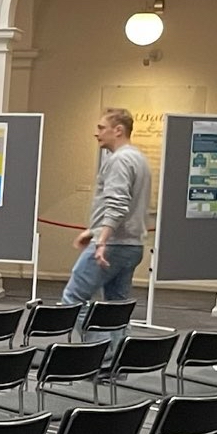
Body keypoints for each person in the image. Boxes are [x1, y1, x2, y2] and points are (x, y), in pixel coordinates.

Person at [63, 106, 150, 353]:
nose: (97, 133)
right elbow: (128, 206)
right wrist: (93, 231)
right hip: (131, 245)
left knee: (72, 299)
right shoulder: (139, 158)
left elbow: (118, 204)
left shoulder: (120, 160)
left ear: (118, 130)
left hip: (112, 245)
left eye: (101, 128)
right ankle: (115, 360)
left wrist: (101, 241)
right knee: (116, 307)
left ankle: (97, 354)